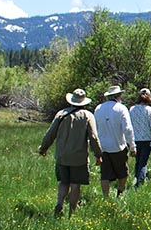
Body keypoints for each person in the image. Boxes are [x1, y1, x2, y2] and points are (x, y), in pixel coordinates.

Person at [38, 88, 103, 217]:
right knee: (75, 184)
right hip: (79, 157)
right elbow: (94, 137)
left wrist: (43, 148)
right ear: (84, 102)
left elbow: (51, 133)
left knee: (63, 182)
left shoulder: (61, 114)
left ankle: (59, 203)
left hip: (62, 156)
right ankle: (72, 212)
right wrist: (98, 154)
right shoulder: (87, 115)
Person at [94, 85, 136, 198]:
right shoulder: (121, 108)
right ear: (118, 96)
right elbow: (127, 129)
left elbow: (95, 129)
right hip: (118, 146)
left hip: (103, 147)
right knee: (122, 173)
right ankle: (120, 193)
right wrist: (132, 146)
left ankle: (105, 197)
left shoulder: (98, 108)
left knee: (105, 175)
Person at [129, 88, 151, 187]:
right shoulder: (150, 110)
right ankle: (140, 183)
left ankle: (136, 178)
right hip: (147, 139)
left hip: (135, 139)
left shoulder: (132, 109)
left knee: (138, 161)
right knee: (143, 163)